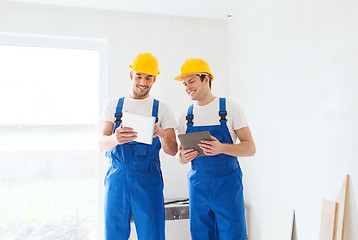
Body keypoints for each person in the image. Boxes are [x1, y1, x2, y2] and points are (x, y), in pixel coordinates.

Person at [99, 52, 178, 240]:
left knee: (153, 234)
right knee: (114, 234)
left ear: (154, 79)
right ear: (131, 75)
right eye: (139, 76)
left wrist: (162, 134)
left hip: (148, 180)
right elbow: (101, 143)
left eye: (148, 77)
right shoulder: (113, 106)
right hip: (118, 179)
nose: (143, 82)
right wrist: (115, 139)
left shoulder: (162, 109)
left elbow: (173, 150)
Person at [175, 58, 256, 240]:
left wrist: (221, 148)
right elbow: (179, 157)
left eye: (192, 81)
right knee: (201, 235)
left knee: (233, 235)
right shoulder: (185, 117)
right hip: (198, 186)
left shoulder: (229, 109)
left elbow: (250, 148)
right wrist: (184, 156)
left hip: (227, 185)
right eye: (184, 83)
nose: (188, 87)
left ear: (206, 79)